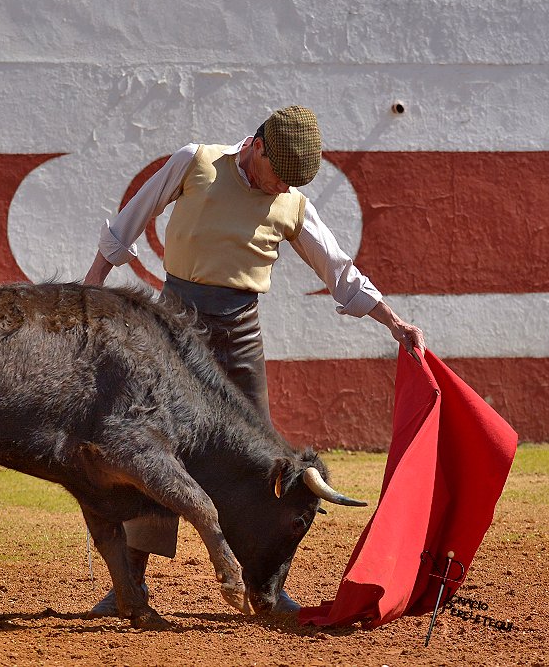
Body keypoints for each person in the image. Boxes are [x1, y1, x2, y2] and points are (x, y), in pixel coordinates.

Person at [83, 105, 426, 617]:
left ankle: (261, 590)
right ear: (257, 146)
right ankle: (129, 586)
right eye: (279, 177)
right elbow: (127, 224)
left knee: (263, 462)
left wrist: (394, 323)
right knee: (154, 450)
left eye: (292, 183)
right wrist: (89, 294)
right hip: (175, 332)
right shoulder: (196, 162)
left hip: (241, 334)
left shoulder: (290, 202)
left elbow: (340, 272)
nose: (282, 189)